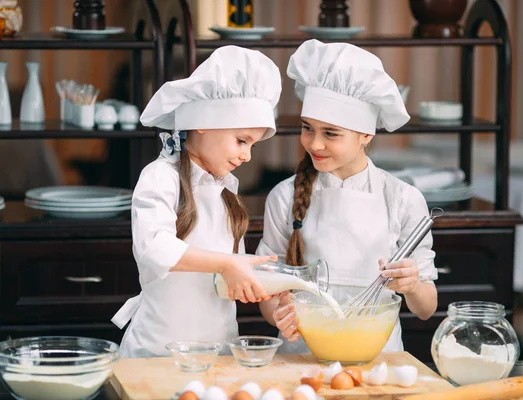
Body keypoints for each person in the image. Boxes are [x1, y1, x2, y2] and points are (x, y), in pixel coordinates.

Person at [256, 39, 438, 353]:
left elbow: (426, 308)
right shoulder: (284, 197)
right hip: (302, 361)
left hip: (378, 361)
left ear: (366, 134)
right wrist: (279, 316)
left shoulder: (403, 199)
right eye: (307, 128)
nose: (314, 144)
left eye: (331, 133)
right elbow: (268, 291)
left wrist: (412, 285)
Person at [111, 46, 282, 358]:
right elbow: (154, 249)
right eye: (242, 140)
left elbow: (229, 277)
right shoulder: (161, 177)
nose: (247, 155)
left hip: (218, 357)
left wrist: (269, 291)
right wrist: (227, 263)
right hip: (157, 355)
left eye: (252, 145)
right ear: (203, 121)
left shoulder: (227, 194)